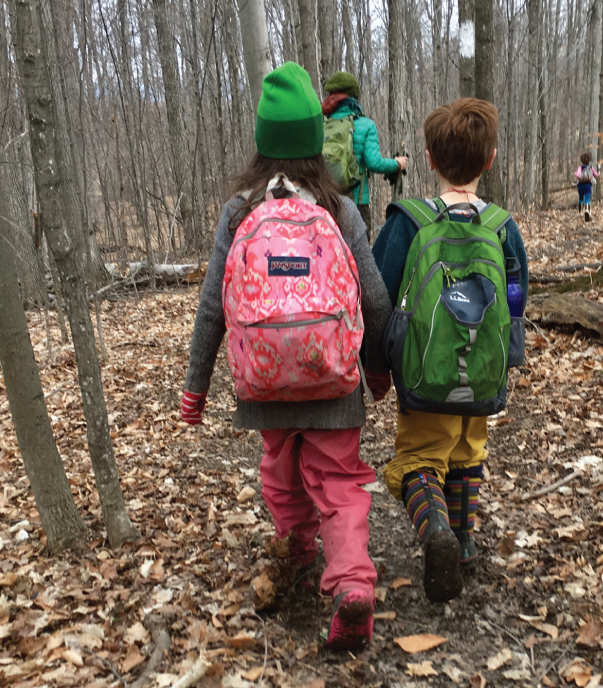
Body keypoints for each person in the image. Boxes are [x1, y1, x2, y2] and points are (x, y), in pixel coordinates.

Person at [180, 62, 392, 651]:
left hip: (266, 384)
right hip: (333, 381)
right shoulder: (339, 209)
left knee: (281, 467)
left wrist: (195, 389)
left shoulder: (239, 212)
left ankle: (297, 546)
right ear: (313, 143)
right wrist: (377, 370)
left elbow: (211, 309)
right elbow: (373, 297)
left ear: (262, 141)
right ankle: (351, 582)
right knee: (340, 479)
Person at [372, 97, 528, 603]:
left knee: (420, 458)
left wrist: (375, 363)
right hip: (480, 368)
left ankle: (435, 529)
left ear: (431, 160)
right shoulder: (502, 227)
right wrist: (507, 358)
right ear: (490, 160)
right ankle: (461, 542)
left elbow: (376, 292)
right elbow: (516, 296)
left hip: (424, 370)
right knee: (467, 451)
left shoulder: (408, 221)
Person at [321, 70, 408, 240]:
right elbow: (374, 162)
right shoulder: (365, 124)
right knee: (360, 258)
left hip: (325, 201)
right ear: (354, 96)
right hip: (356, 202)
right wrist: (397, 164)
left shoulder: (321, 124)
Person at [575, 151, 599, 221]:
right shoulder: (591, 168)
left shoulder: (580, 167)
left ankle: (580, 212)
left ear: (582, 160)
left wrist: (576, 174)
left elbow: (577, 174)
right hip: (588, 186)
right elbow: (596, 175)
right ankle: (587, 210)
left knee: (581, 198)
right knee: (587, 199)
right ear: (589, 160)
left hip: (580, 186)